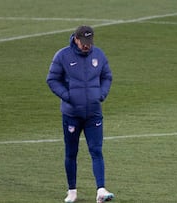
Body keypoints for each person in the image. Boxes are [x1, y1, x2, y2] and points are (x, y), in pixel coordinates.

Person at [46, 25, 114, 203]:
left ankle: (101, 190)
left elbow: (107, 76)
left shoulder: (98, 55)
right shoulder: (62, 56)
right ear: (76, 39)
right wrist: (67, 96)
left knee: (96, 150)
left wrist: (101, 94)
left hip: (93, 113)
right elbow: (52, 79)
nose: (87, 46)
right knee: (71, 153)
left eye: (89, 42)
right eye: (84, 42)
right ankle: (72, 191)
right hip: (72, 114)